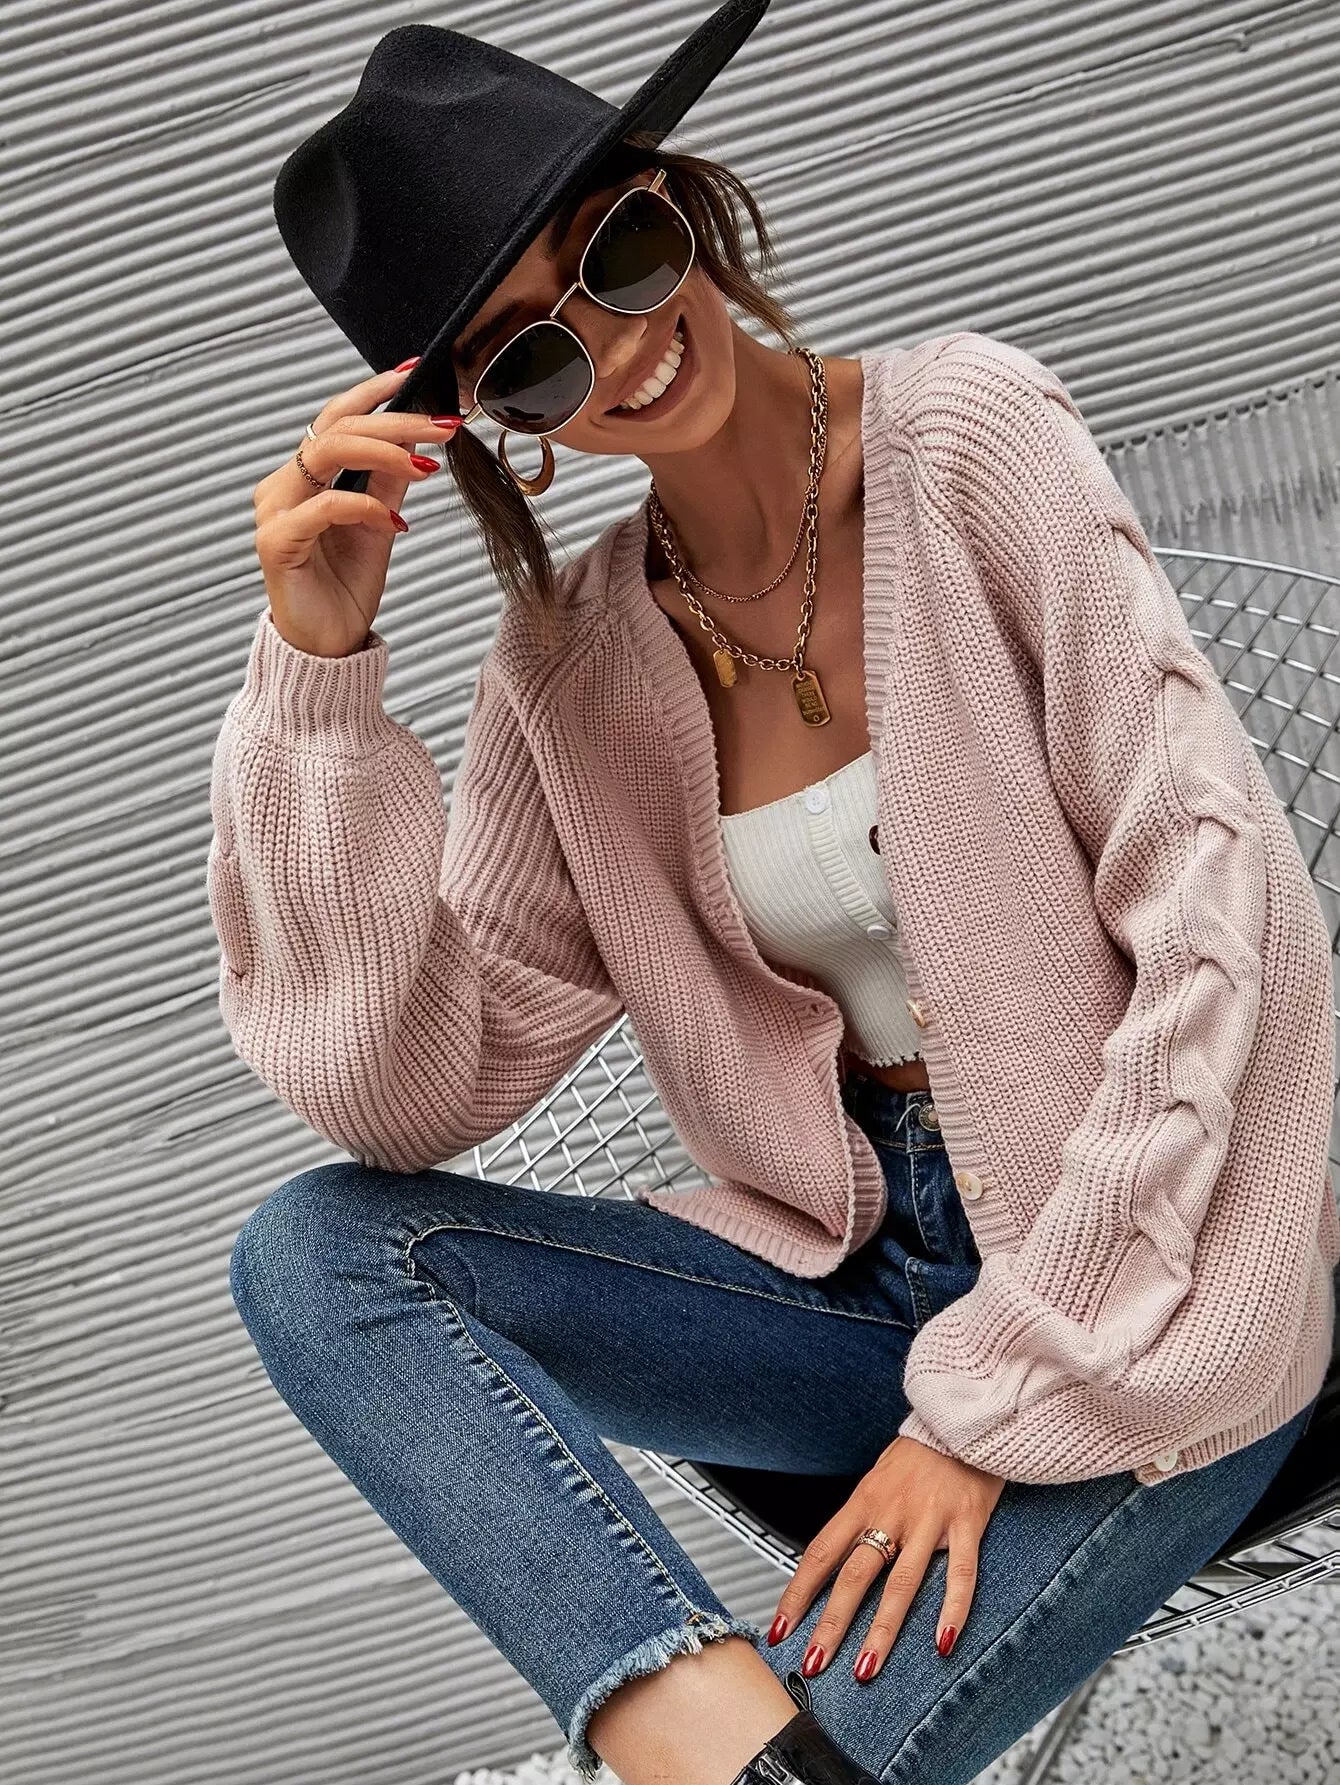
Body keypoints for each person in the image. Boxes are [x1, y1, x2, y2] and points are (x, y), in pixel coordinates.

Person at [208, 7, 1336, 1784]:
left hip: (1167, 1268)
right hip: (856, 1289)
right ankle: (690, 1739)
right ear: (500, 429)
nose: (616, 344)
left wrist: (987, 1406)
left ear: (681, 200)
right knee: (317, 1254)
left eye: (617, 252)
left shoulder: (967, 439)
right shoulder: (569, 665)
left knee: (826, 1760)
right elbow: (406, 1094)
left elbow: (1221, 922)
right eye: (530, 362)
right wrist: (316, 680)